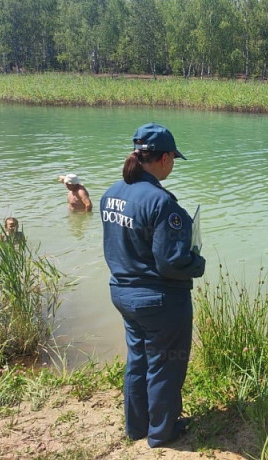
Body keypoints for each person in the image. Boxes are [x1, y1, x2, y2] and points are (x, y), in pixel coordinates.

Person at [100, 122, 206, 448]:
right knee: (165, 366)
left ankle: (137, 427)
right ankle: (162, 433)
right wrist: (198, 264)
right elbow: (171, 262)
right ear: (162, 159)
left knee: (138, 361)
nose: (173, 164)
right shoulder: (162, 203)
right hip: (160, 300)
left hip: (124, 294)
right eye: (173, 157)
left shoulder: (111, 194)